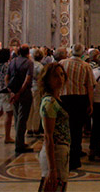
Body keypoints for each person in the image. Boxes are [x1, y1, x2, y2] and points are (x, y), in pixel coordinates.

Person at [59, 43, 95, 169]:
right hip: (80, 100)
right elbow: (90, 86)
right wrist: (90, 103)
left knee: (65, 128)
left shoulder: (62, 63)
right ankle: (75, 158)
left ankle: (64, 156)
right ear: (83, 53)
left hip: (64, 98)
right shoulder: (86, 66)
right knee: (77, 129)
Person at [38, 63, 71, 192]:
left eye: (62, 75)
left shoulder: (56, 99)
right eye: (55, 76)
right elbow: (48, 136)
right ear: (47, 79)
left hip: (61, 151)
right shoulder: (49, 103)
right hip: (54, 152)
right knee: (52, 187)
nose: (60, 79)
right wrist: (52, 168)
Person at [9, 45, 35, 154]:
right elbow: (28, 79)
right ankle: (19, 145)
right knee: (22, 119)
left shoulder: (13, 61)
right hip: (24, 93)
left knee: (16, 118)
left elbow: (7, 77)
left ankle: (19, 141)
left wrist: (12, 92)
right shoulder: (29, 63)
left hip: (14, 92)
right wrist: (20, 92)